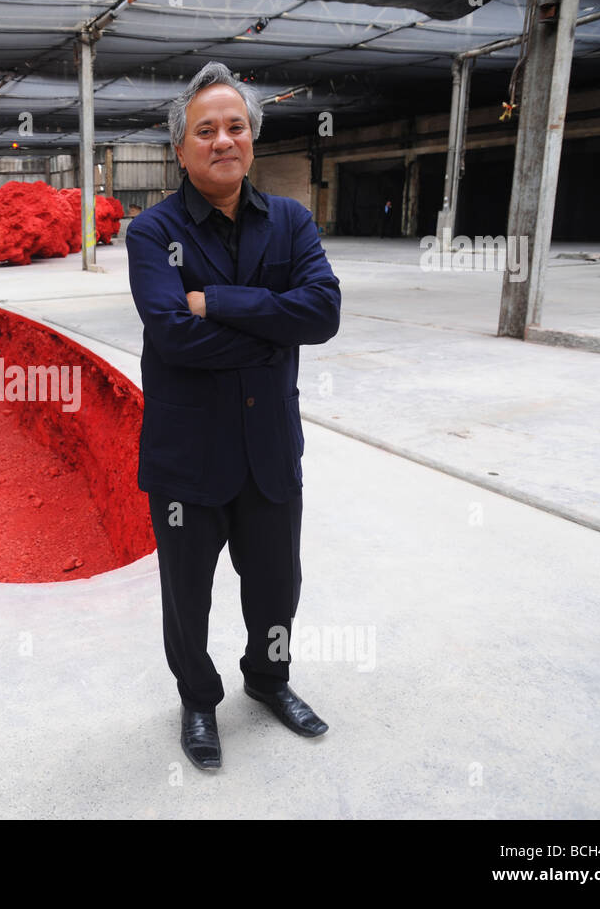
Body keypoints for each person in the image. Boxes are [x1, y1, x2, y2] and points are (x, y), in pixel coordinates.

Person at [126, 61, 341, 771]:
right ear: (181, 148)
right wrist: (273, 326)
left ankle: (268, 678)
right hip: (188, 457)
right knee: (188, 596)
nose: (224, 140)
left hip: (271, 447)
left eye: (236, 127)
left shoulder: (291, 221)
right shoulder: (152, 234)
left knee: (279, 584)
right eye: (206, 129)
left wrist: (217, 302)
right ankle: (197, 700)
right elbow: (171, 332)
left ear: (252, 139)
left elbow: (324, 313)